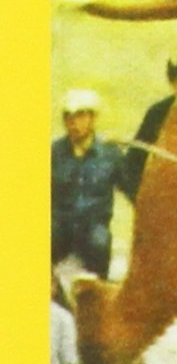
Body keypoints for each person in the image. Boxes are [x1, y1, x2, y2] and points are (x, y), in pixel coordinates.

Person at [118, 56, 177, 202]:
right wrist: (137, 197)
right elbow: (136, 158)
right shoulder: (158, 112)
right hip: (166, 190)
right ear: (173, 86)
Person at [51, 89, 124, 278]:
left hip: (93, 226)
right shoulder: (53, 152)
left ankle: (97, 287)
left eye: (81, 116)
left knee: (99, 242)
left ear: (93, 118)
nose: (74, 123)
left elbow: (131, 189)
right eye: (68, 117)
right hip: (60, 225)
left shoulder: (111, 153)